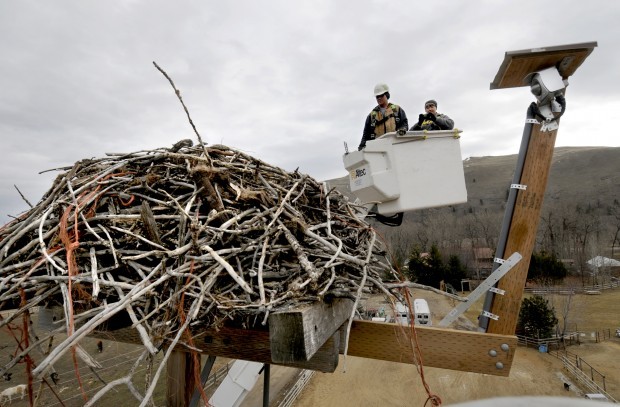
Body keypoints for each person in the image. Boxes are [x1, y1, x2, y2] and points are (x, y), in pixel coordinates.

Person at [358, 83, 408, 150]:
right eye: (377, 96)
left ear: (387, 95)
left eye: (381, 95)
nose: (379, 98)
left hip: (395, 146)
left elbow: (404, 124)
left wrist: (403, 129)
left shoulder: (397, 110)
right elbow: (366, 134)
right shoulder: (371, 115)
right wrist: (362, 146)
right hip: (378, 149)